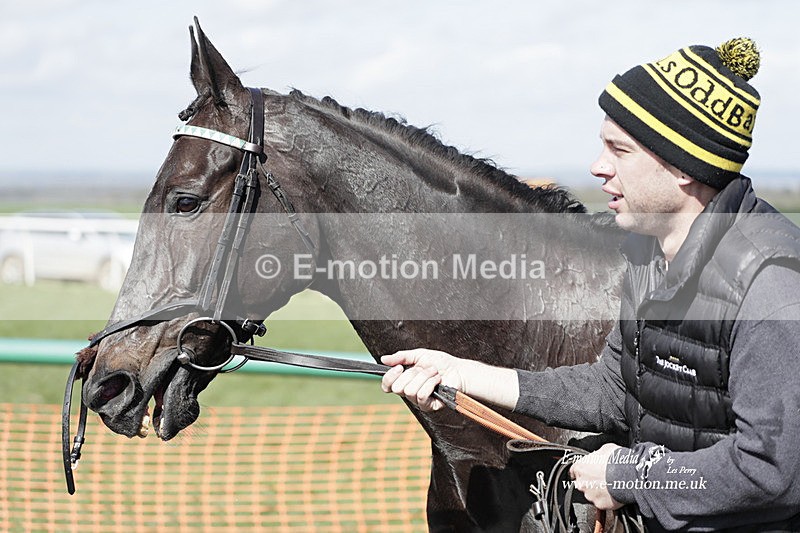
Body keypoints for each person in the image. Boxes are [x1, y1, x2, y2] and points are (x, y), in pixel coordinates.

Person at [381, 38, 800, 532]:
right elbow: (610, 390)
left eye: (620, 150)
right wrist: (460, 373)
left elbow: (772, 471)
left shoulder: (771, 285)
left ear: (686, 167)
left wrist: (628, 476)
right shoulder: (649, 252)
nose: (598, 167)